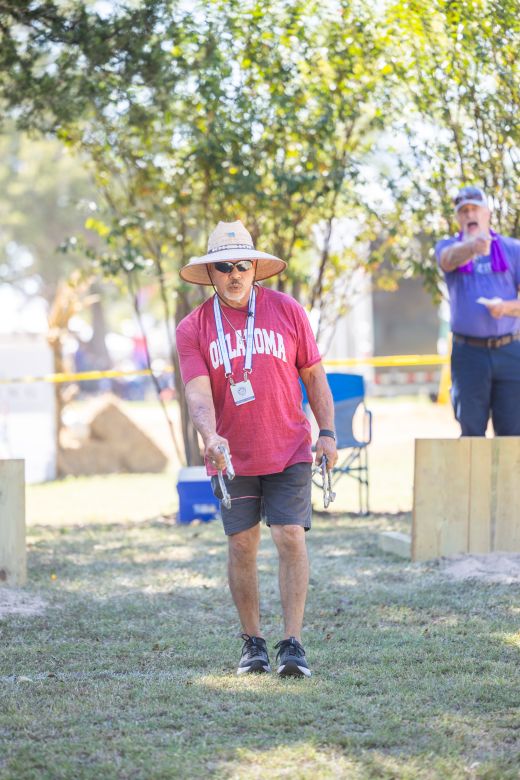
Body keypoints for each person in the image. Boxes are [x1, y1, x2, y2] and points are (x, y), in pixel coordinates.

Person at [176, 220, 337, 677]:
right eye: (224, 266)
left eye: (242, 265)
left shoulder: (287, 310)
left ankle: (293, 644)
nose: (234, 274)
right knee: (242, 544)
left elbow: (314, 375)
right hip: (231, 456)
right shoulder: (193, 327)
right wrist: (210, 436)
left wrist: (327, 432)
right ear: (211, 273)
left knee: (290, 536)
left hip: (289, 447)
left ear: (255, 268)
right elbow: (197, 392)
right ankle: (253, 643)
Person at [436, 186, 520, 435]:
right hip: (468, 354)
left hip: (510, 351)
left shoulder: (513, 249)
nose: (470, 214)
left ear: (487, 213)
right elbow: (447, 260)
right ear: (458, 218)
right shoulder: (448, 247)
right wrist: (472, 247)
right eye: (464, 211)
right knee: (471, 433)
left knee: (513, 433)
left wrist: (506, 308)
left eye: (475, 209)